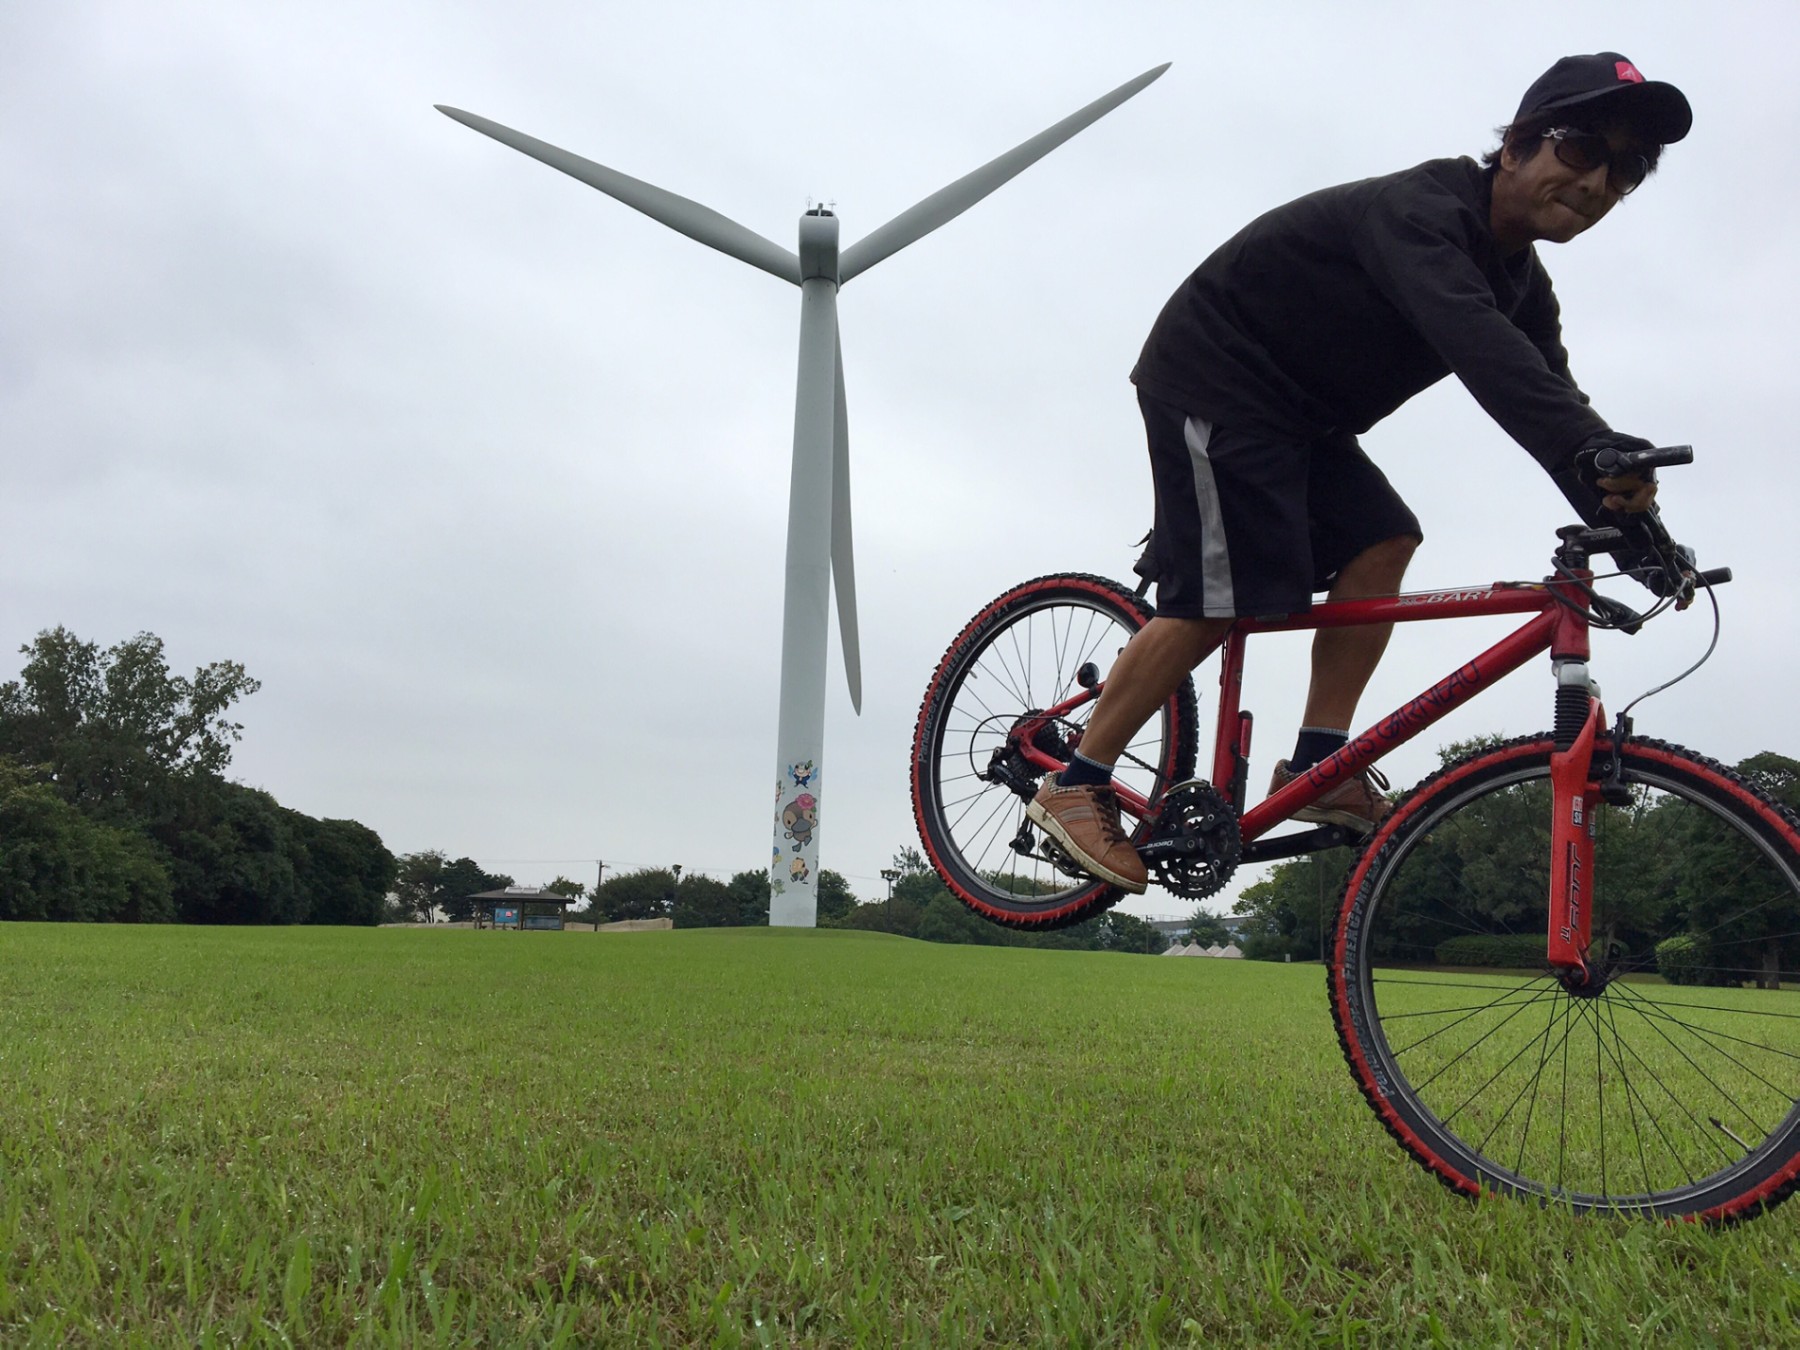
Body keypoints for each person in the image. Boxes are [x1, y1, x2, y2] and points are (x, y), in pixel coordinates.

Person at [1027, 52, 1693, 895]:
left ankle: (1318, 763)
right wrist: (1588, 447)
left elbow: (1554, 399)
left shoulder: (1525, 287)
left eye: (1627, 169)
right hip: (1216, 371)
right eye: (1580, 147)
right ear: (1518, 146)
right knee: (1223, 595)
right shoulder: (1421, 212)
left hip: (1303, 417)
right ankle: (1075, 782)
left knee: (1385, 537)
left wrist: (1641, 538)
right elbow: (1480, 348)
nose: (1599, 180)